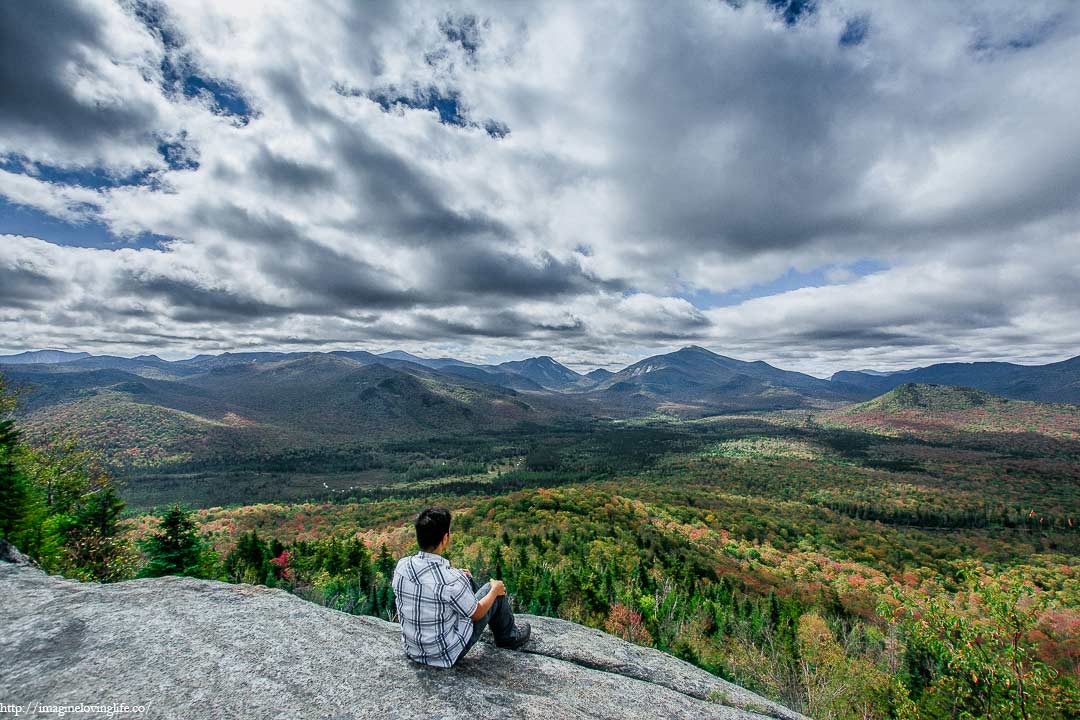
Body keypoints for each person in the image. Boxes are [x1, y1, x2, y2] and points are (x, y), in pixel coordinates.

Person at [392, 506, 532, 668]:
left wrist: (458, 576)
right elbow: (477, 613)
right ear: (445, 538)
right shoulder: (451, 580)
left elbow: (428, 585)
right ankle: (509, 638)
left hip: (414, 650)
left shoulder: (402, 566)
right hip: (445, 653)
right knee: (492, 588)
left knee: (467, 581)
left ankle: (498, 621)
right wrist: (495, 590)